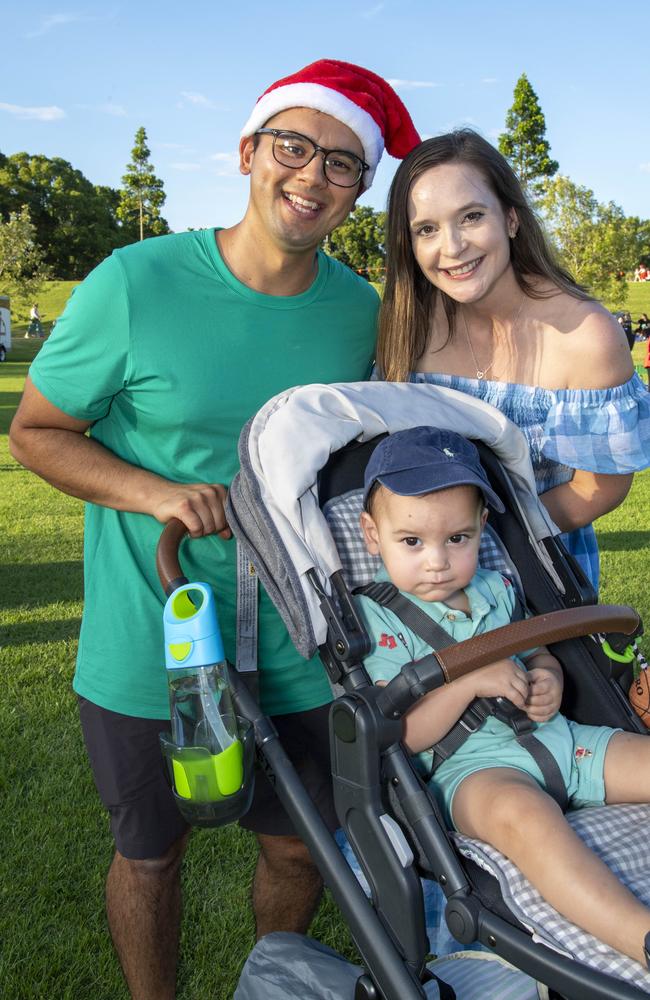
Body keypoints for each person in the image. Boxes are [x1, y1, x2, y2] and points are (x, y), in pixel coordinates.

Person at [8, 59, 420, 1000]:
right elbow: (36, 432)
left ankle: (261, 984)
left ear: (359, 191)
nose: (312, 178)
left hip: (305, 642)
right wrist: (154, 492)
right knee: (150, 854)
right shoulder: (134, 283)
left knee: (299, 850)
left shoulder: (362, 314)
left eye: (344, 165)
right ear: (249, 152)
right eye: (294, 148)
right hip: (152, 638)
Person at [356, 425, 650, 968]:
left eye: (457, 539)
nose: (437, 561)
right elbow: (402, 733)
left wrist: (547, 675)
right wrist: (469, 679)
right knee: (525, 817)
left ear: (481, 528)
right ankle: (641, 938)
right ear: (372, 535)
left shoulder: (497, 587)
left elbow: (535, 650)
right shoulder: (374, 619)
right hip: (474, 774)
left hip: (560, 743)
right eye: (412, 542)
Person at [376, 129, 650, 591]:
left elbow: (599, 487)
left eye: (471, 216)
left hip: (537, 582)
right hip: (421, 587)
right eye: (427, 228)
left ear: (511, 218)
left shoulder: (585, 334)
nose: (453, 246)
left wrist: (480, 540)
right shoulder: (409, 324)